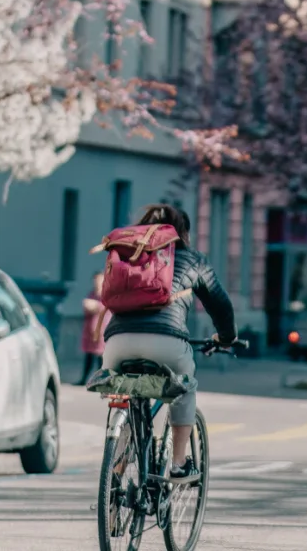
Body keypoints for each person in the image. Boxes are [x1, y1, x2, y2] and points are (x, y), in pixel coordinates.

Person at [102, 203, 236, 481]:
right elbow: (220, 305)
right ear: (183, 233)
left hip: (116, 343)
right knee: (184, 387)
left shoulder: (128, 254)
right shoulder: (193, 259)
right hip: (167, 343)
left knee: (126, 394)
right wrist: (226, 338)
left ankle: (114, 474)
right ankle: (177, 464)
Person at [79, 273, 110, 385]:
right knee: (89, 355)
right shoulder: (91, 294)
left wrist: (96, 306)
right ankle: (84, 379)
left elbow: (107, 309)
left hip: (101, 330)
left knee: (100, 356)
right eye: (95, 281)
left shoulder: (106, 295)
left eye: (99, 280)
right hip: (90, 330)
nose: (97, 283)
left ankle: (101, 380)